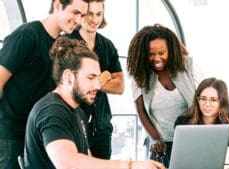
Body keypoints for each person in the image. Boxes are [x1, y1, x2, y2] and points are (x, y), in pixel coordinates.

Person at [24, 36, 165, 169]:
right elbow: (69, 164)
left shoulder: (78, 112)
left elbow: (87, 159)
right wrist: (130, 165)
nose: (98, 86)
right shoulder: (52, 111)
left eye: (97, 78)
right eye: (91, 78)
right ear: (68, 76)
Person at [0, 0, 89, 168]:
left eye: (82, 15)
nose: (78, 20)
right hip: (11, 137)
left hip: (38, 135)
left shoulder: (62, 45)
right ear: (57, 5)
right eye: (75, 12)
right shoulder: (26, 35)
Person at [127, 24, 199, 167]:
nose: (157, 58)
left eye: (161, 52)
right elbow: (141, 112)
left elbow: (204, 99)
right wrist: (155, 139)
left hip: (191, 139)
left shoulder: (188, 65)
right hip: (161, 147)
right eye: (151, 54)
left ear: (171, 50)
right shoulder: (139, 75)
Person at [66, 0, 124, 159]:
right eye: (90, 13)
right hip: (73, 125)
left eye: (99, 14)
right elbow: (68, 83)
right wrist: (103, 78)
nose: (94, 19)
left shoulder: (107, 45)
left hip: (102, 127)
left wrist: (90, 81)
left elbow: (120, 86)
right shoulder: (66, 43)